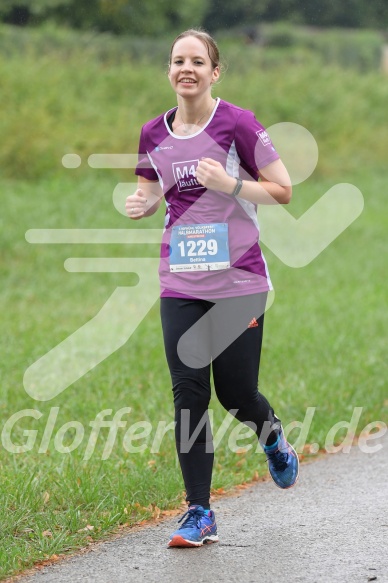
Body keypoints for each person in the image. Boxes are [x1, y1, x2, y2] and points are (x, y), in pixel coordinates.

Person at [126, 28, 299, 548]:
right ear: (169, 70)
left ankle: (273, 440)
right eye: (178, 60)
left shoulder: (238, 124)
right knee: (188, 395)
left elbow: (283, 190)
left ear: (214, 71)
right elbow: (149, 187)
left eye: (197, 61)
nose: (187, 69)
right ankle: (199, 511)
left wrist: (231, 185)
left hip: (239, 281)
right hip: (180, 281)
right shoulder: (152, 132)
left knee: (237, 393)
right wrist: (144, 203)